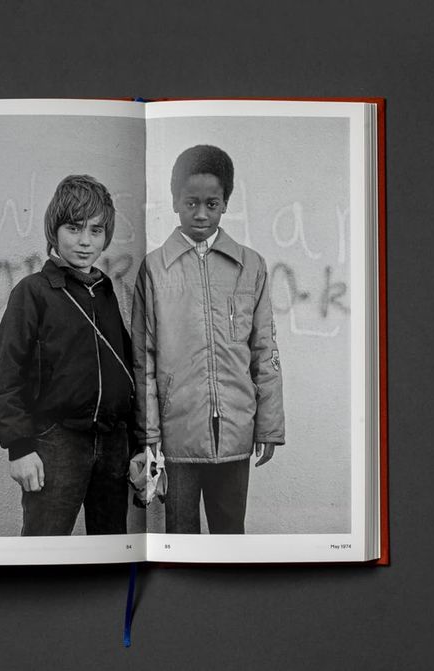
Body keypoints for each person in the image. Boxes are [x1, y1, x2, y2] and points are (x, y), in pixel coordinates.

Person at [132, 145, 285, 534]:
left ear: (225, 204)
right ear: (174, 201)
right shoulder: (154, 269)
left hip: (236, 430)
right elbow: (143, 358)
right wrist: (149, 435)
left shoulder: (250, 266)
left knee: (230, 534)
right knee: (180, 536)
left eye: (212, 204)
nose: (201, 214)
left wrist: (268, 426)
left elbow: (264, 350)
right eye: (191, 203)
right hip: (177, 436)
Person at [0, 175, 134, 536]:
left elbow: (126, 370)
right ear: (54, 231)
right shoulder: (33, 292)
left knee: (109, 551)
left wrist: (136, 446)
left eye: (96, 231)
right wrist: (19, 447)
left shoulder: (105, 292)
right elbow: (7, 374)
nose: (85, 241)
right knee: (44, 552)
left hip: (112, 445)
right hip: (57, 444)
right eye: (74, 228)